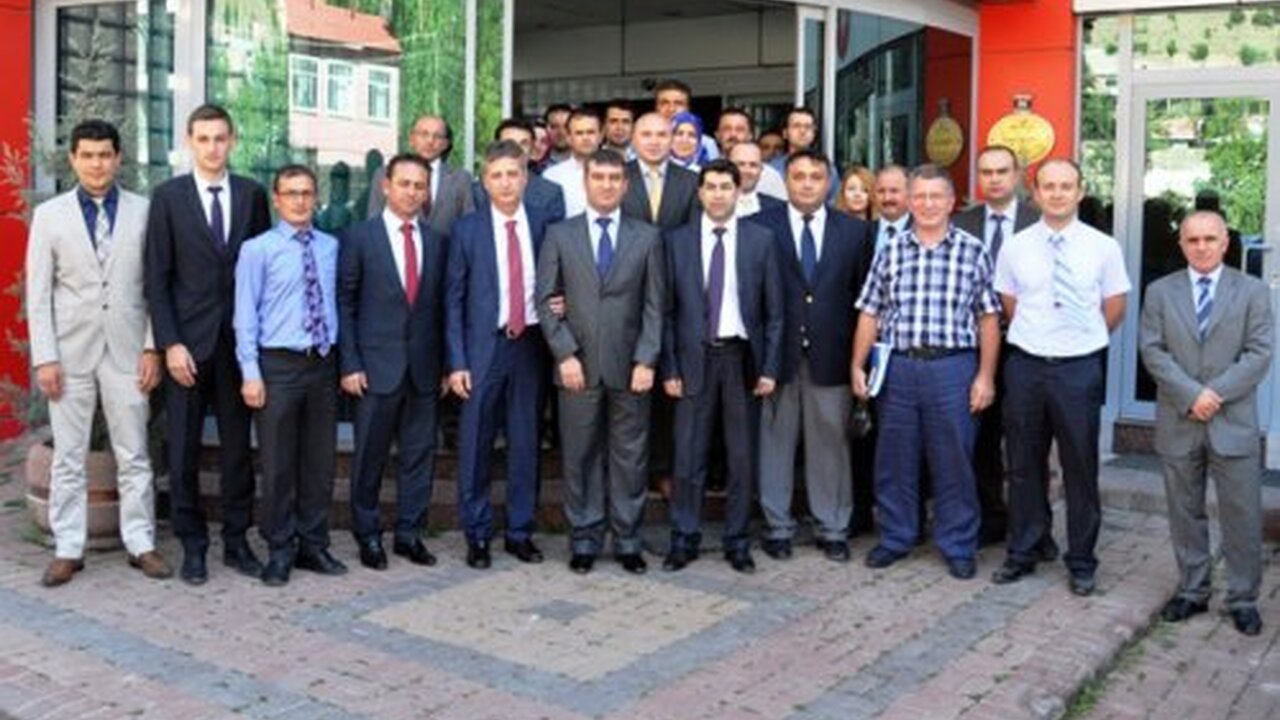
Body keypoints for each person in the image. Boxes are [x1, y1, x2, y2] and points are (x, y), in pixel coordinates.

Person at [27, 119, 169, 587]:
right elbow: (38, 293)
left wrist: (151, 347)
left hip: (128, 351)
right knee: (68, 456)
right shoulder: (50, 216)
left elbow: (156, 286)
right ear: (73, 159)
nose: (96, 164)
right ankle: (69, 548)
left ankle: (140, 542)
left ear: (118, 158)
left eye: (104, 154)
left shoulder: (144, 212)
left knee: (134, 453)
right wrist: (45, 357)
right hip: (70, 353)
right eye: (87, 155)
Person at [852, 164, 1001, 580]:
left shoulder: (973, 250)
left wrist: (985, 376)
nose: (928, 204)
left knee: (954, 459)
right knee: (894, 457)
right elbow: (870, 311)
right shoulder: (891, 250)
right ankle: (896, 536)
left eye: (936, 196)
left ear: (951, 202)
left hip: (953, 368)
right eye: (920, 196)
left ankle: (958, 544)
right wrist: (857, 365)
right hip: (898, 367)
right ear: (909, 201)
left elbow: (988, 318)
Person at [991, 159, 1131, 597]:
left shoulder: (1103, 246)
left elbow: (1115, 305)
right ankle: (1025, 550)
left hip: (1078, 369)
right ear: (1035, 193)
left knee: (1080, 467)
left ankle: (1082, 560)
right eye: (1048, 186)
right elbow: (1009, 301)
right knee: (1023, 465)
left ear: (1080, 191)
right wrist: (1041, 336)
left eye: (1065, 186)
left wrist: (1079, 338)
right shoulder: (1015, 246)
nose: (1057, 193)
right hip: (1027, 365)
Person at [146, 103, 271, 585]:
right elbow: (157, 278)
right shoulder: (168, 198)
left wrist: (255, 347)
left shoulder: (252, 195)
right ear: (190, 141)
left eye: (220, 138)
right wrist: (170, 343)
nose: (213, 148)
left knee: (238, 448)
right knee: (182, 451)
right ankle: (193, 545)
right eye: (204, 139)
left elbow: (261, 272)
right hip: (187, 348)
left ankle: (237, 542)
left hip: (238, 346)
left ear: (232, 140)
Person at [1140, 210, 1273, 637]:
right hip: (1180, 418)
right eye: (1192, 240)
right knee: (1184, 510)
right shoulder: (1160, 291)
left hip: (1232, 419)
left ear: (1225, 242)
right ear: (1181, 244)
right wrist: (1190, 395)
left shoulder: (1252, 291)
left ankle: (1243, 598)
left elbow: (1259, 353)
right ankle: (1192, 590)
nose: (1201, 247)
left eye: (1209, 239)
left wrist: (1212, 394)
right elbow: (1152, 350)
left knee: (1242, 513)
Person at [536, 149, 665, 575]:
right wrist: (565, 353)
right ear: (586, 182)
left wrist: (647, 359)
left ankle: (628, 540)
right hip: (578, 367)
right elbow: (545, 299)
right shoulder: (559, 234)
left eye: (614, 178)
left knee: (631, 457)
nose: (606, 185)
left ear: (625, 185)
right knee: (580, 456)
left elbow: (655, 305)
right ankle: (585, 538)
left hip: (631, 367)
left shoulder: (647, 237)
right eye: (599, 177)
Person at [660, 159, 783, 574]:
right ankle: (684, 538)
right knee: (688, 457)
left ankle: (737, 541)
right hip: (692, 360)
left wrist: (769, 368)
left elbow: (774, 313)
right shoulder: (676, 241)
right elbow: (666, 312)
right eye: (710, 186)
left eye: (725, 187)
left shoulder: (760, 240)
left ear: (738, 191)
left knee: (741, 459)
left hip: (740, 360)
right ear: (700, 193)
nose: (717, 194)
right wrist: (669, 368)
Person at [755, 150, 874, 562]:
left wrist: (861, 362)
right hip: (777, 359)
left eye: (816, 177)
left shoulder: (855, 233)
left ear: (828, 183)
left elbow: (864, 301)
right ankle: (777, 527)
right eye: (799, 176)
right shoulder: (759, 226)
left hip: (833, 356)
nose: (807, 183)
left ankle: (832, 527)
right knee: (775, 442)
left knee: (831, 444)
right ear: (786, 181)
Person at [233, 164, 346, 586]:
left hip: (322, 363)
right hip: (277, 365)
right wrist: (250, 372)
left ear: (316, 198)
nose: (299, 201)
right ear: (276, 200)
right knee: (278, 463)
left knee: (319, 462)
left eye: (306, 193)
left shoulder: (331, 247)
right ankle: (279, 547)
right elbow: (245, 314)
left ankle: (313, 544)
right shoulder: (257, 250)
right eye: (291, 193)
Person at [339, 153, 449, 571]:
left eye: (420, 186)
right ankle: (367, 534)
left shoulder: (437, 241)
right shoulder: (359, 238)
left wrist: (445, 364)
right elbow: (345, 304)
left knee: (419, 456)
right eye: (404, 184)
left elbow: (441, 308)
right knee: (370, 457)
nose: (412, 192)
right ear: (386, 186)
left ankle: (410, 533)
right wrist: (350, 364)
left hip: (424, 370)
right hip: (374, 371)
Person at [446, 141, 552, 569]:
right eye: (497, 176)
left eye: (513, 174)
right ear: (485, 182)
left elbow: (560, 280)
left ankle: (520, 532)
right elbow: (453, 299)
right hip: (482, 349)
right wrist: (457, 361)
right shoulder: (466, 230)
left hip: (531, 346)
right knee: (475, 444)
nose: (506, 183)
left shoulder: (545, 224)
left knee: (525, 442)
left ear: (525, 178)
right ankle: (477, 534)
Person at [952, 145, 1044, 549]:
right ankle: (990, 520)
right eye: (986, 172)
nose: (993, 179)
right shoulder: (961, 222)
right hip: (974, 347)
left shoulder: (1039, 222)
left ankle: (1034, 526)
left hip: (1028, 347)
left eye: (1002, 171)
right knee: (982, 440)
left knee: (1028, 441)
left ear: (1018, 175)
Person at [367, 114, 475, 239]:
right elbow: (374, 220)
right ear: (412, 140)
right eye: (424, 134)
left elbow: (469, 225)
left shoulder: (461, 179)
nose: (430, 141)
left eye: (437, 136)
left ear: (445, 144)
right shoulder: (384, 174)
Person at [472, 118, 566, 223]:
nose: (516, 149)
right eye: (510, 144)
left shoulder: (550, 193)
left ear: (532, 148)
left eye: (523, 144)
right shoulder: (476, 191)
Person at [622, 112, 699, 230]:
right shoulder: (617, 176)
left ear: (672, 140)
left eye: (662, 135)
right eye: (646, 135)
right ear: (633, 139)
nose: (654, 142)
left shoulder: (692, 181)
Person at [713, 107, 786, 200]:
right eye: (727, 129)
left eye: (740, 129)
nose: (733, 134)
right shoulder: (706, 173)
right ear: (717, 135)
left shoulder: (770, 177)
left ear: (750, 135)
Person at [543, 108, 603, 218]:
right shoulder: (552, 176)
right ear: (569, 138)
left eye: (591, 132)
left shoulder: (618, 172)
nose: (585, 138)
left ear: (600, 136)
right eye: (579, 133)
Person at [652, 78, 719, 161]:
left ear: (687, 108)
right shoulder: (643, 141)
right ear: (656, 108)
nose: (671, 109)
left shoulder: (706, 144)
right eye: (664, 103)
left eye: (678, 103)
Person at [728, 141, 785, 219]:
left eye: (753, 165)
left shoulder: (779, 209)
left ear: (761, 170)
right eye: (741, 164)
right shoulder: (712, 205)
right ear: (728, 168)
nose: (747, 170)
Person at [872, 165, 911, 254]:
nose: (887, 198)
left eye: (894, 191)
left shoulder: (922, 232)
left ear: (909, 193)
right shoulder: (862, 234)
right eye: (881, 191)